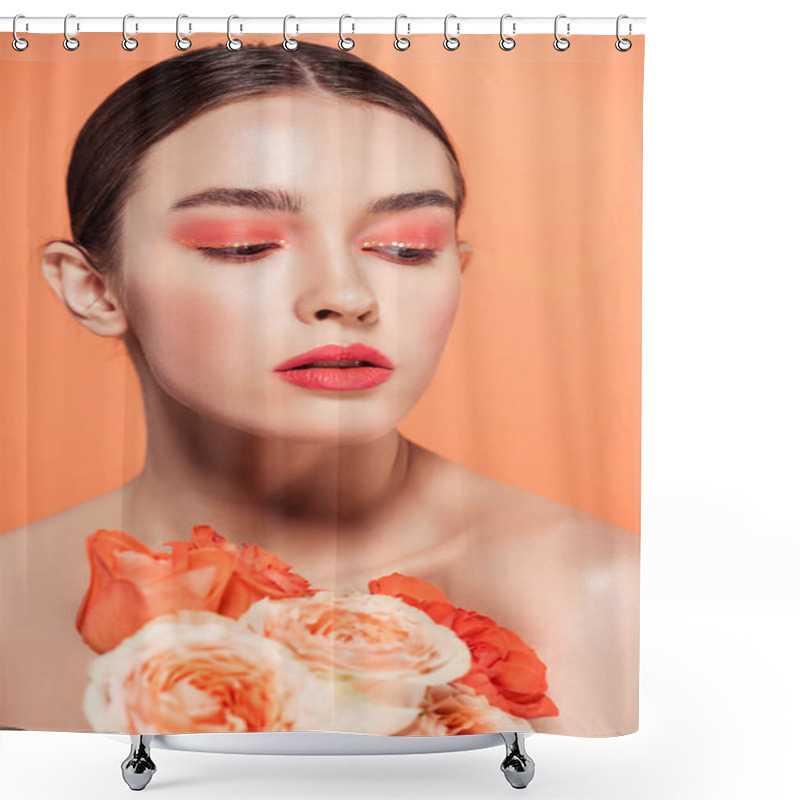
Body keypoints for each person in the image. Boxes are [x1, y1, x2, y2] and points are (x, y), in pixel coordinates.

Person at [0, 42, 638, 735]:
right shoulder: (13, 594)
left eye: (406, 247)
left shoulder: (607, 592)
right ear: (92, 288)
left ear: (457, 266)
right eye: (242, 244)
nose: (345, 295)